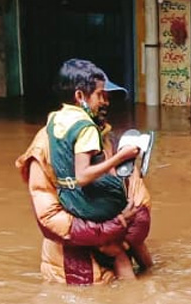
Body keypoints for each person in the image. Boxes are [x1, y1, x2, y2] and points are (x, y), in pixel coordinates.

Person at [45, 58, 152, 280]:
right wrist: (122, 157)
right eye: (101, 95)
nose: (105, 102)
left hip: (69, 200)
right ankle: (139, 300)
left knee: (133, 230)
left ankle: (148, 272)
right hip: (88, 209)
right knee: (121, 246)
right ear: (80, 96)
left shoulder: (55, 120)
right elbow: (82, 175)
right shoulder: (87, 129)